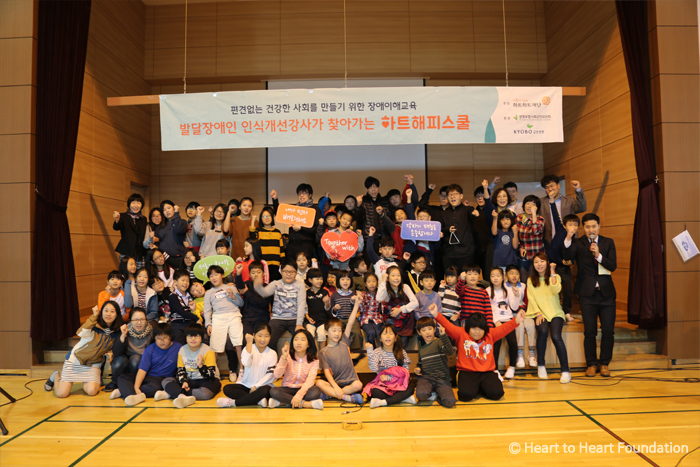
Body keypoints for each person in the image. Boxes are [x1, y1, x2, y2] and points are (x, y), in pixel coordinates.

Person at [563, 212, 617, 378]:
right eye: (587, 227)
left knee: (608, 330)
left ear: (599, 226)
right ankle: (591, 364)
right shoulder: (577, 243)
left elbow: (612, 266)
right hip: (587, 294)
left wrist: (598, 255)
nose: (591, 230)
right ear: (583, 228)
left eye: (594, 226)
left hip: (606, 294)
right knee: (590, 331)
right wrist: (568, 239)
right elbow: (567, 257)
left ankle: (605, 364)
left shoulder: (608, 242)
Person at [431, 308, 525, 402]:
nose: (477, 332)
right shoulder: (461, 333)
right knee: (465, 396)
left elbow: (504, 329)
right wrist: (436, 315)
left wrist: (516, 321)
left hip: (487, 372)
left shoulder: (490, 334)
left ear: (485, 329)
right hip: (467, 372)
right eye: (474, 328)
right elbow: (448, 326)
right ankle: (476, 387)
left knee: (497, 394)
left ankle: (479, 387)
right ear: (468, 328)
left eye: (480, 329)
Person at [44, 301, 124, 398]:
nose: (108, 314)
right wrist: (94, 316)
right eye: (106, 310)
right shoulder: (94, 325)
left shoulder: (117, 332)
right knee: (62, 394)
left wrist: (111, 352)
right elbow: (80, 333)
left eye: (112, 311)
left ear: (117, 314)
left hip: (93, 364)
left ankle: (90, 380)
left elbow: (114, 347)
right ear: (101, 312)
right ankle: (56, 375)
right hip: (75, 361)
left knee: (92, 391)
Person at [540, 175, 586, 321]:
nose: (550, 189)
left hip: (567, 249)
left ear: (558, 185)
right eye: (547, 187)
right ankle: (551, 309)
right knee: (549, 282)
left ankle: (566, 310)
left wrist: (578, 189)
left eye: (552, 185)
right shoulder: (541, 202)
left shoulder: (569, 201)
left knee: (566, 283)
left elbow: (582, 207)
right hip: (549, 247)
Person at [526, 252, 571, 383]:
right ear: (533, 265)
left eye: (542, 261)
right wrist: (538, 313)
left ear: (547, 263)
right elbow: (531, 299)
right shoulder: (530, 280)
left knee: (556, 336)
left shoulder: (555, 276)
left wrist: (552, 271)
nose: (539, 264)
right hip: (539, 313)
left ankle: (565, 370)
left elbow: (555, 289)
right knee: (543, 331)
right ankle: (541, 366)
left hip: (555, 312)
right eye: (536, 262)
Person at [113, 322, 182, 406]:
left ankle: (124, 391)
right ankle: (132, 394)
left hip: (161, 379)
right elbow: (142, 370)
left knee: (155, 387)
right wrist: (136, 387)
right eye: (158, 338)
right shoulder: (150, 349)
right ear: (155, 338)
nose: (162, 341)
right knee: (122, 377)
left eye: (165, 338)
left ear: (170, 337)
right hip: (147, 376)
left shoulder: (178, 348)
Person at [157, 323, 221, 408]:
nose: (193, 339)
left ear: (201, 338)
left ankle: (172, 394)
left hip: (206, 380)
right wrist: (184, 382)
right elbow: (181, 370)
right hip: (190, 380)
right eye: (190, 336)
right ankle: (181, 395)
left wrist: (201, 366)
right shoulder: (182, 350)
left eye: (196, 336)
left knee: (206, 394)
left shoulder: (208, 351)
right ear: (186, 338)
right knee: (166, 381)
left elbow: (211, 375)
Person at [217, 323, 277, 408]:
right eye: (259, 335)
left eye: (266, 336)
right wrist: (249, 343)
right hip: (246, 385)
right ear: (254, 335)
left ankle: (233, 403)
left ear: (270, 337)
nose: (263, 339)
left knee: (266, 390)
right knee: (227, 388)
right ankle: (258, 400)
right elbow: (246, 363)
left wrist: (256, 386)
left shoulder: (272, 353)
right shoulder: (247, 348)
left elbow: (270, 375)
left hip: (262, 387)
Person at [315, 301, 364, 405]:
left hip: (351, 382)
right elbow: (327, 373)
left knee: (358, 385)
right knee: (319, 383)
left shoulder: (344, 341)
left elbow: (350, 323)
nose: (337, 333)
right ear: (326, 332)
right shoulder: (323, 352)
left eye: (339, 330)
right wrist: (336, 387)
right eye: (334, 330)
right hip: (336, 383)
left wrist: (356, 304)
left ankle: (329, 395)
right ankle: (347, 397)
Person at [203, 265, 244, 382]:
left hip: (234, 314)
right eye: (211, 276)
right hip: (218, 317)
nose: (214, 277)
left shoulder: (231, 287)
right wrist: (208, 324)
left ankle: (242, 370)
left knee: (238, 343)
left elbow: (241, 303)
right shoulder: (209, 293)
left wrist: (232, 296)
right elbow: (207, 310)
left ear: (221, 275)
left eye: (216, 274)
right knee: (215, 345)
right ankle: (213, 372)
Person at [254, 261, 306, 353]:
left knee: (302, 339)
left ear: (296, 273)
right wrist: (257, 285)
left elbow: (301, 305)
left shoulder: (300, 285)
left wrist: (299, 324)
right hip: (277, 319)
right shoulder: (276, 283)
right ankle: (274, 361)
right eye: (286, 271)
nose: (288, 274)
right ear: (281, 272)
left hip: (294, 319)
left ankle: (295, 360)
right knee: (269, 340)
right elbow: (264, 293)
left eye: (292, 272)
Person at [268, 329, 324, 410]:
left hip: (303, 389)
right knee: (274, 391)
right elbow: (277, 375)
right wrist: (284, 358)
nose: (298, 342)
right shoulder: (287, 356)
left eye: (302, 340)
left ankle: (283, 402)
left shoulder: (314, 360)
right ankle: (306, 404)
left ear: (308, 344)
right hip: (288, 389)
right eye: (296, 339)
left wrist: (299, 395)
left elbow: (310, 381)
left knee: (316, 391)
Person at [363, 323, 416, 408]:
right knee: (375, 391)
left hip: (398, 385)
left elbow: (406, 373)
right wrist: (370, 352)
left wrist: (389, 378)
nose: (388, 336)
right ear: (380, 338)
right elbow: (374, 369)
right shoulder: (377, 352)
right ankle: (403, 399)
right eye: (385, 333)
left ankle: (383, 402)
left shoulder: (401, 352)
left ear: (395, 338)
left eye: (391, 333)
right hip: (383, 386)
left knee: (411, 388)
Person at [105, 307, 153, 392]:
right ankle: (115, 381)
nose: (139, 323)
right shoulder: (125, 329)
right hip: (125, 360)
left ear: (146, 320)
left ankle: (133, 382)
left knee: (136, 359)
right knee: (119, 360)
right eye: (135, 320)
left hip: (140, 363)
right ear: (130, 321)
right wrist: (123, 335)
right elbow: (116, 352)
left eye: (142, 319)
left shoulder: (151, 331)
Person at [271, 184, 322, 262]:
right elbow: (280, 214)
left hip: (306, 245)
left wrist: (301, 228)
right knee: (291, 267)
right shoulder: (294, 209)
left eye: (304, 193)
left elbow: (316, 230)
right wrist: (275, 199)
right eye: (299, 193)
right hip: (292, 245)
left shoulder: (315, 210)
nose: (301, 195)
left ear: (310, 195)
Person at [414, 317, 456, 408]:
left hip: (442, 379)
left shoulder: (439, 342)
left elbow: (449, 351)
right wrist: (418, 368)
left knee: (450, 402)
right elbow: (420, 363)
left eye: (430, 329)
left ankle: (437, 395)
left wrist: (443, 335)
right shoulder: (422, 349)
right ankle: (433, 393)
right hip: (426, 378)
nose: (427, 332)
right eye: (424, 330)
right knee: (421, 395)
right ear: (419, 332)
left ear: (434, 329)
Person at [486, 267, 517, 380]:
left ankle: (512, 367)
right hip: (495, 321)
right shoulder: (488, 291)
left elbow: (514, 307)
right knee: (496, 345)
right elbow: (488, 308)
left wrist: (517, 296)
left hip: (508, 319)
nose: (495, 278)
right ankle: (495, 370)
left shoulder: (508, 290)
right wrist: (496, 321)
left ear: (503, 277)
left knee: (513, 342)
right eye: (493, 276)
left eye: (498, 276)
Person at [376, 266, 419, 347]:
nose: (396, 278)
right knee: (390, 346)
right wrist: (383, 281)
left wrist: (400, 309)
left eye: (398, 275)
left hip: (405, 322)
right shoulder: (385, 289)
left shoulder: (405, 287)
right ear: (388, 278)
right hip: (390, 321)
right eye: (393, 275)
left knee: (401, 346)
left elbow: (415, 303)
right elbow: (378, 298)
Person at [440, 183, 479, 272]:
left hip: (466, 252)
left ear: (461, 196)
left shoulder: (467, 209)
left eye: (455, 194)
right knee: (450, 278)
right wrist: (447, 229)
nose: (452, 197)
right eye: (450, 195)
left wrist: (475, 213)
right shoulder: (444, 213)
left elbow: (473, 214)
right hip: (449, 253)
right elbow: (440, 228)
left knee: (465, 277)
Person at [504, 265, 535, 368]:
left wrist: (525, 311)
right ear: (506, 275)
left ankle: (531, 353)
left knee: (531, 324)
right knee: (519, 326)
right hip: (511, 313)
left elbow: (526, 301)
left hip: (523, 312)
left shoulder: (523, 286)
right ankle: (520, 354)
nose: (514, 276)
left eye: (517, 273)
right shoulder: (504, 286)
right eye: (511, 273)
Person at [234, 260, 274, 338]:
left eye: (258, 272)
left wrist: (246, 292)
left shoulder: (268, 288)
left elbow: (261, 303)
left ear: (263, 273)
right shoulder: (247, 284)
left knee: (260, 339)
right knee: (246, 340)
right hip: (247, 319)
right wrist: (238, 273)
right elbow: (239, 285)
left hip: (262, 319)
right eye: (253, 273)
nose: (256, 274)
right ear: (249, 274)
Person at [249, 205, 284, 281]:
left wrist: (282, 262)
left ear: (272, 217)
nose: (267, 218)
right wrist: (253, 221)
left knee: (274, 284)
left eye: (269, 216)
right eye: (264, 216)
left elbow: (281, 249)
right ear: (261, 218)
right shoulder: (258, 231)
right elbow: (252, 238)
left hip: (276, 264)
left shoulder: (277, 232)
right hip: (263, 264)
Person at [113, 193, 147, 268]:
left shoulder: (143, 219)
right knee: (126, 272)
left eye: (138, 203)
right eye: (133, 203)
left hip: (139, 252)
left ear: (142, 205)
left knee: (140, 273)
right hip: (126, 251)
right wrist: (117, 220)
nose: (136, 205)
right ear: (129, 204)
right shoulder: (123, 216)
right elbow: (116, 227)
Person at [330, 270, 361, 350]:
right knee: (338, 332)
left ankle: (355, 351)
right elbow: (332, 312)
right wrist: (335, 308)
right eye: (343, 279)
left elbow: (357, 308)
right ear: (338, 281)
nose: (345, 281)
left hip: (352, 319)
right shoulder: (334, 295)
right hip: (339, 319)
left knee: (356, 332)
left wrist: (355, 300)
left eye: (348, 279)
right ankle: (339, 350)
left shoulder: (353, 294)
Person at [516, 195, 545, 278]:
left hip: (537, 257)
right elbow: (515, 236)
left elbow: (536, 231)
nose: (530, 206)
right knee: (524, 281)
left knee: (536, 281)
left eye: (533, 204)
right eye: (527, 203)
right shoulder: (519, 218)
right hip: (523, 257)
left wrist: (534, 214)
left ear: (537, 207)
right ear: (524, 205)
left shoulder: (540, 219)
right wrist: (519, 248)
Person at [168, 269, 200, 344]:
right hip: (177, 324)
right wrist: (196, 318)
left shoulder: (190, 296)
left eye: (187, 281)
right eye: (183, 280)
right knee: (179, 341)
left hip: (189, 323)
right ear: (175, 282)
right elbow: (180, 311)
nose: (185, 283)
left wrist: (194, 310)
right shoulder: (173, 296)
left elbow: (192, 311)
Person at [155, 200, 188, 269]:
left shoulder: (182, 222)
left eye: (169, 208)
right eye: (164, 210)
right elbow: (157, 241)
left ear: (174, 208)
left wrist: (177, 213)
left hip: (178, 258)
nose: (167, 211)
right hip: (163, 259)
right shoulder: (160, 226)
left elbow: (178, 229)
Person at [305, 268, 332, 347]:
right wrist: (308, 318)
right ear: (310, 280)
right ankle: (314, 353)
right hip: (310, 320)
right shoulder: (306, 293)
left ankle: (322, 353)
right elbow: (305, 308)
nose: (320, 281)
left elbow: (327, 308)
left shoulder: (324, 292)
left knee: (322, 335)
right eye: (317, 279)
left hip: (322, 320)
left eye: (321, 279)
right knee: (310, 334)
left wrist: (327, 302)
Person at [356, 272, 384, 348]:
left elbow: (382, 308)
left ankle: (382, 351)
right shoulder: (363, 294)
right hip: (365, 318)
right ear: (365, 284)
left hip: (377, 318)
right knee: (371, 332)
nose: (372, 284)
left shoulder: (380, 294)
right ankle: (372, 351)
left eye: (374, 281)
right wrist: (360, 299)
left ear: (377, 283)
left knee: (380, 332)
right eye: (369, 282)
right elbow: (360, 310)